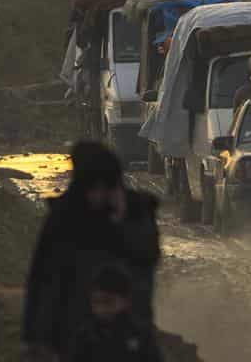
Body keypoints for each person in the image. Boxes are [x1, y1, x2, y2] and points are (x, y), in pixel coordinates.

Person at [24, 142, 160, 361]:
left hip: (127, 335)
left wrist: (120, 221)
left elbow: (147, 260)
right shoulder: (65, 216)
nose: (97, 195)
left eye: (104, 187)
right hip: (73, 334)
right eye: (92, 187)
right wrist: (36, 336)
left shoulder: (135, 212)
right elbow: (42, 277)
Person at [69, 264, 163, 362]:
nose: (101, 308)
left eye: (108, 301)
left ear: (126, 301)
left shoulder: (141, 336)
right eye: (96, 301)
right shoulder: (85, 337)